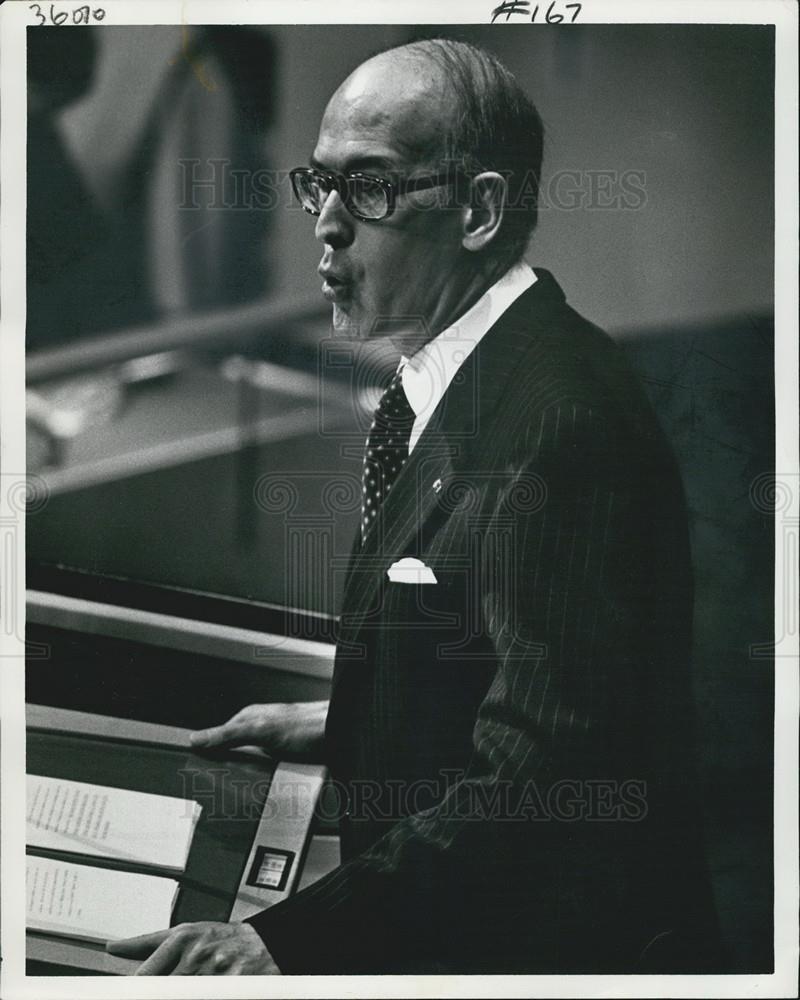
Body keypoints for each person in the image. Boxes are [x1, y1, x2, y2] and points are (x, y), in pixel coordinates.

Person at [108, 38, 720, 975]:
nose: (328, 226)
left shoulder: (561, 420)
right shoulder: (457, 373)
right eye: (319, 185)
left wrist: (284, 942)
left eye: (373, 187)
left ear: (478, 210)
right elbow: (490, 651)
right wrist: (350, 718)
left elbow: (542, 777)